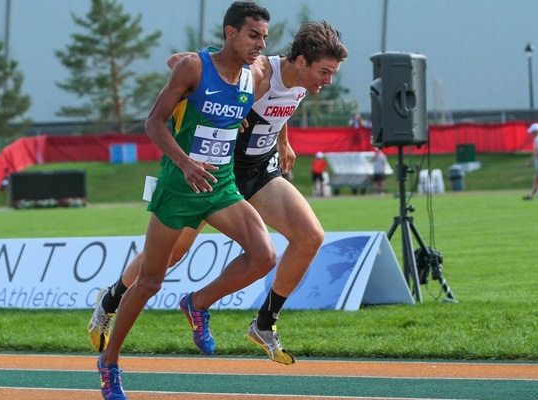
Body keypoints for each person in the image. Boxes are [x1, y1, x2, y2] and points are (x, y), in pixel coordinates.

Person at [89, 20, 348, 368]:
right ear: (300, 61)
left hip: (258, 173)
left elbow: (281, 106)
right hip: (215, 170)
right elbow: (183, 62)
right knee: (171, 255)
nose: (328, 81)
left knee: (310, 236)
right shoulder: (257, 70)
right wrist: (228, 105)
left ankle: (263, 322)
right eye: (325, 72)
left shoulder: (302, 83)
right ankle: (111, 300)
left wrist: (284, 143)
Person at [95, 3, 272, 400]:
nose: (260, 44)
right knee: (150, 281)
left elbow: (233, 110)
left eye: (264, 36)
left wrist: (236, 118)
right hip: (179, 186)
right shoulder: (194, 67)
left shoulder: (254, 73)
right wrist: (185, 162)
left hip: (220, 184)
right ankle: (109, 362)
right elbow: (153, 122)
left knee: (264, 256)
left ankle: (197, 304)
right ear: (230, 33)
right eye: (253, 35)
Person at [522, 122, 538, 200]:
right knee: (536, 179)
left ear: (536, 131)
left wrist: (530, 161)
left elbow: (537, 151)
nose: (531, 133)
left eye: (532, 132)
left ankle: (531, 196)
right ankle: (531, 196)